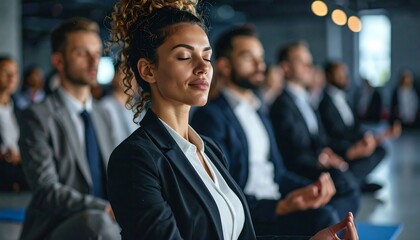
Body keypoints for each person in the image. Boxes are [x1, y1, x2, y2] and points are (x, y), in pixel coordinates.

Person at [106, 1, 358, 240]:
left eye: (206, 56)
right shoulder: (134, 159)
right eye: (184, 56)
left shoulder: (209, 151)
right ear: (148, 70)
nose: (203, 67)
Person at [191, 25, 359, 236]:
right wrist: (281, 207)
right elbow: (222, 195)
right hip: (253, 214)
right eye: (247, 57)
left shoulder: (258, 111)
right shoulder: (212, 116)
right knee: (325, 218)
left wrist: (312, 188)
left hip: (276, 198)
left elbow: (277, 172)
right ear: (224, 65)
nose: (259, 64)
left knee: (342, 193)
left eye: (260, 57)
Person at [18, 18, 120, 240]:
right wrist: (104, 208)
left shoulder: (103, 114)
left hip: (107, 220)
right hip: (56, 226)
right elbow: (46, 191)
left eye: (96, 52)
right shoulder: (37, 116)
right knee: (98, 223)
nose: (95, 61)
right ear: (58, 61)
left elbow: (115, 175)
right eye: (82, 53)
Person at [269, 42, 362, 209]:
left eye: (309, 61)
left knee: (348, 181)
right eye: (301, 61)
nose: (309, 66)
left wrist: (331, 153)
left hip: (318, 160)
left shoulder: (307, 101)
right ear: (285, 67)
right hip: (302, 168)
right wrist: (321, 159)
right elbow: (292, 151)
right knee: (347, 187)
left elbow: (321, 138)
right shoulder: (281, 105)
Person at [318, 61, 400, 192]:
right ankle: (350, 183)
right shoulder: (324, 103)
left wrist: (370, 136)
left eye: (345, 73)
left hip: (354, 141)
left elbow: (355, 125)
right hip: (341, 147)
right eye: (339, 74)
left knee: (380, 150)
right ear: (328, 76)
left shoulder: (345, 98)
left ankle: (355, 181)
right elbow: (333, 134)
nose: (345, 77)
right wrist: (353, 147)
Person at [0, 56, 29, 192]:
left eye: (15, 73)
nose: (12, 77)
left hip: (21, 175)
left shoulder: (20, 109)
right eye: (6, 72)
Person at [100, 62, 138, 147]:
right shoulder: (105, 106)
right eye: (127, 74)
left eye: (134, 75)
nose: (132, 79)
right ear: (115, 77)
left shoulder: (137, 108)